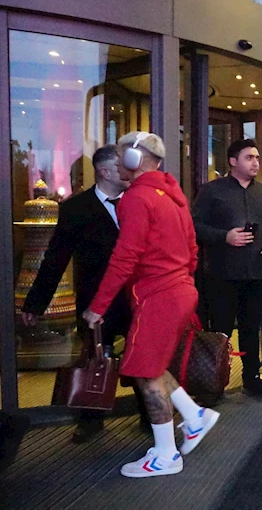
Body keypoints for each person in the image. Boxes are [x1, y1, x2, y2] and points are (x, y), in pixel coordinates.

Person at [82, 132, 217, 478]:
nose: (117, 160)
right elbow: (192, 251)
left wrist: (98, 306)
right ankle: (195, 416)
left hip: (159, 296)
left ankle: (165, 454)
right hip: (179, 291)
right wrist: (179, 283)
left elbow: (125, 257)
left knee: (143, 373)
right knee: (152, 364)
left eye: (122, 154)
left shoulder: (137, 199)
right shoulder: (173, 195)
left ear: (133, 159)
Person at [20, 145, 149, 444]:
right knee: (94, 358)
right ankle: (90, 420)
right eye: (121, 166)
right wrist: (35, 303)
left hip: (139, 296)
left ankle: (149, 414)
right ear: (104, 171)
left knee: (142, 356)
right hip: (96, 300)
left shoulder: (140, 201)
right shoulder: (75, 209)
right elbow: (56, 258)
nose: (128, 170)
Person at [192, 139, 262, 399]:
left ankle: (252, 378)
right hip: (222, 274)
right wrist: (225, 237)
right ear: (233, 161)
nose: (256, 162)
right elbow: (194, 225)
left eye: (257, 157)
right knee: (220, 329)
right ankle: (213, 382)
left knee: (251, 328)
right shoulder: (212, 191)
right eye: (249, 157)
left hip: (258, 273)